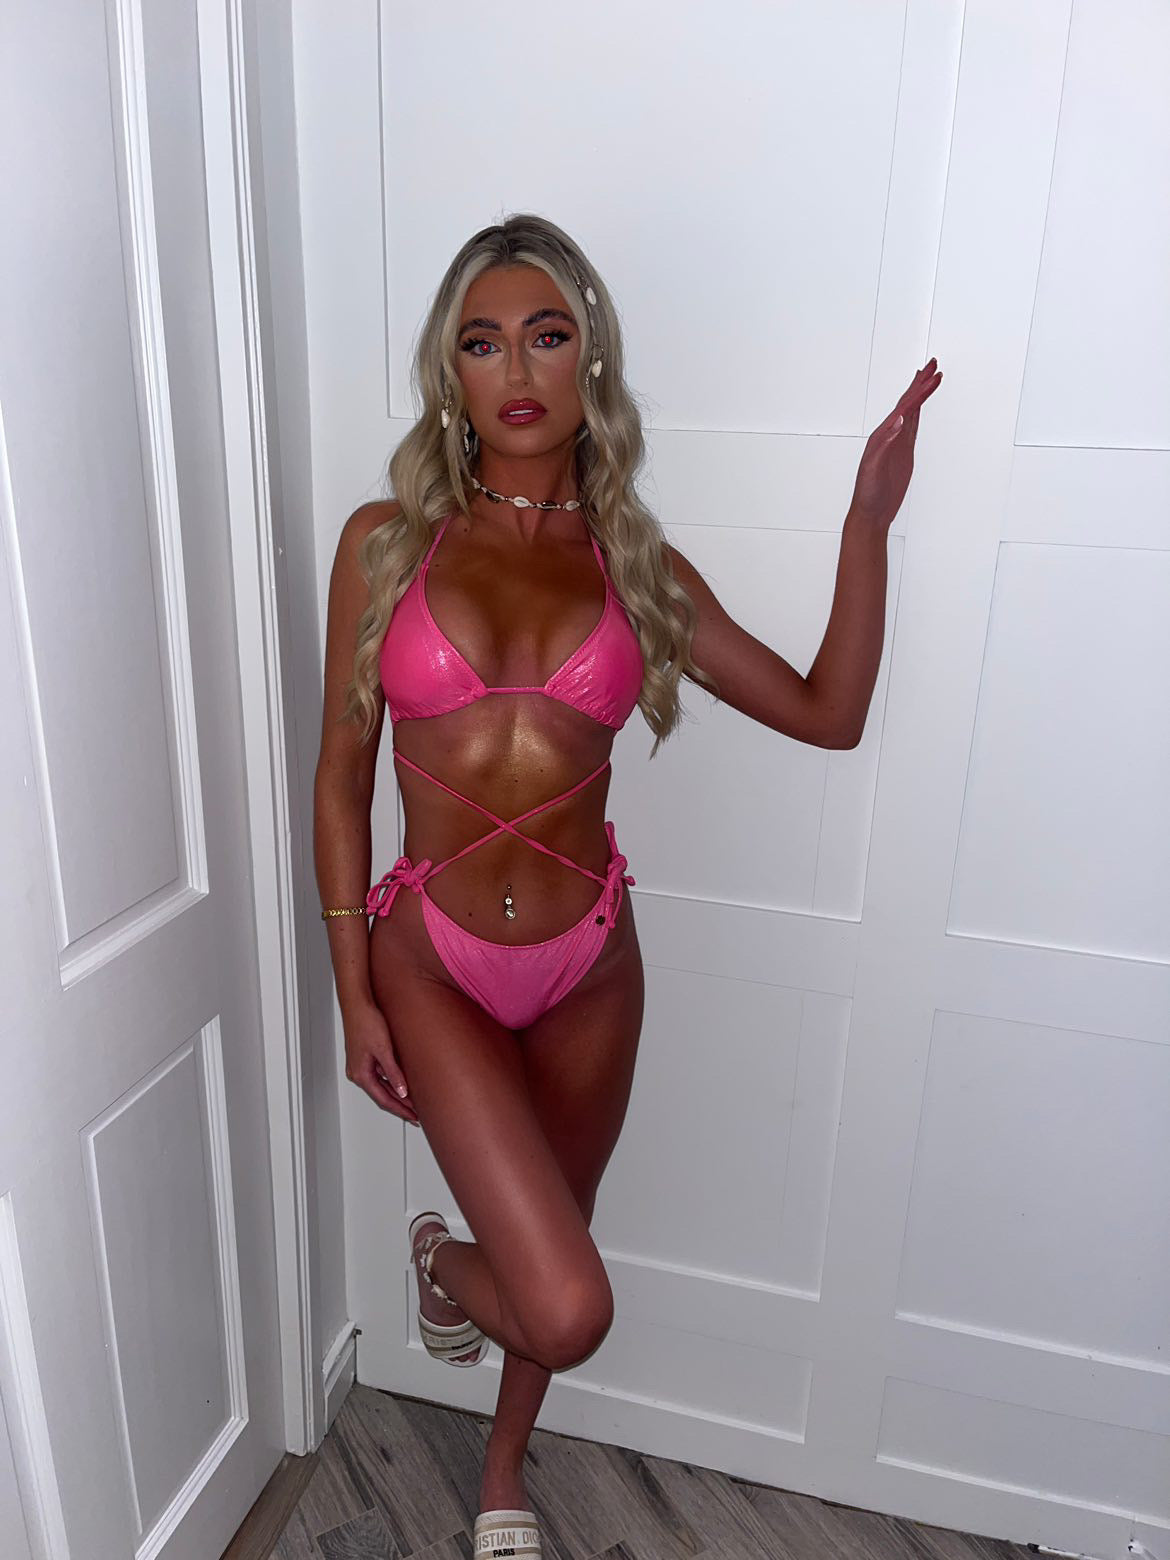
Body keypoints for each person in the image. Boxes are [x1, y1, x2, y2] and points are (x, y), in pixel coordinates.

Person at [314, 213, 941, 1555]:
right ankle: (440, 1259)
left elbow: (828, 713)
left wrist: (866, 522)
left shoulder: (632, 565)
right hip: (432, 958)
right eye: (482, 342)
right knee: (566, 1303)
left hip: (588, 962)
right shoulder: (385, 546)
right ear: (448, 371)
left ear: (588, 356)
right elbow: (339, 777)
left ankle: (500, 1464)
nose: (515, 369)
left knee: (564, 1233)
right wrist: (352, 985)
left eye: (545, 334)